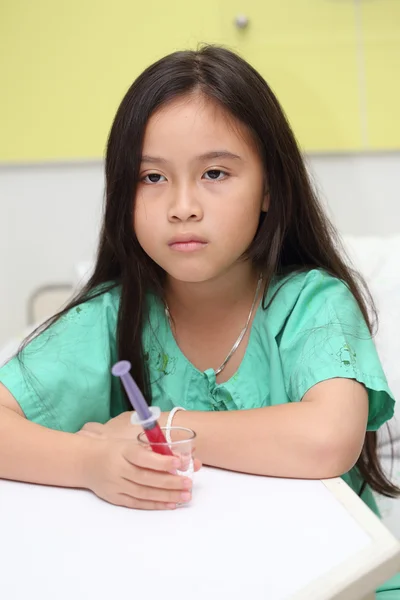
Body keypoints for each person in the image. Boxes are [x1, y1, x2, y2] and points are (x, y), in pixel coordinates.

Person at [0, 45, 399, 596]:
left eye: (214, 172)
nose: (182, 206)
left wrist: (166, 429)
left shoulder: (313, 303)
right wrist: (90, 460)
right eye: (152, 178)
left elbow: (328, 438)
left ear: (269, 189)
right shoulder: (116, 314)